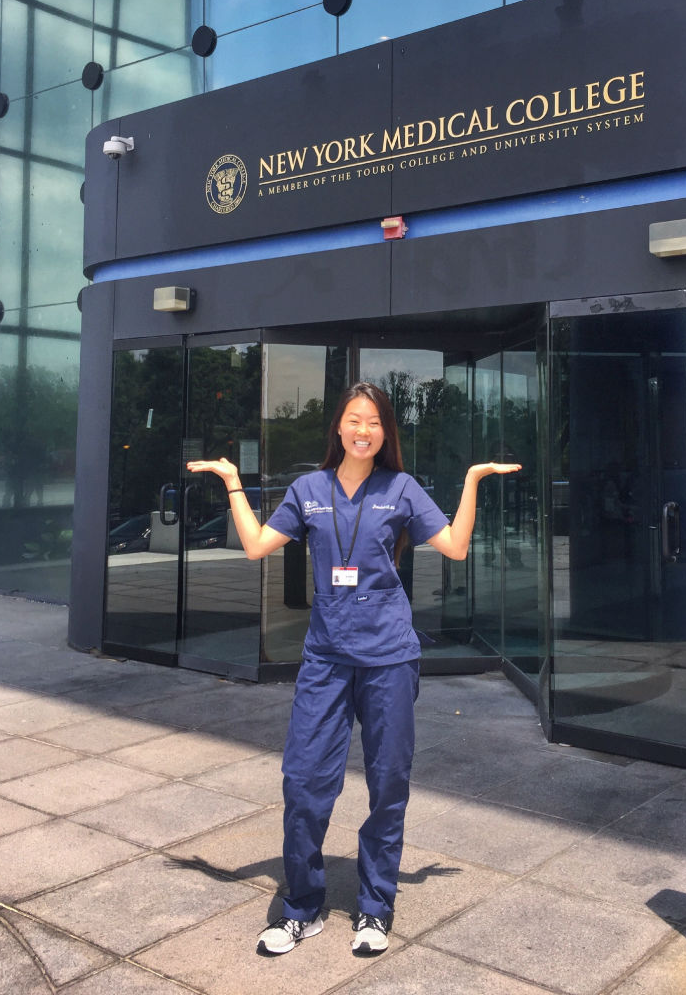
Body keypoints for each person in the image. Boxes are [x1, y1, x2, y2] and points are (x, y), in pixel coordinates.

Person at [186, 381, 521, 957]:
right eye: (353, 420)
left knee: (388, 784)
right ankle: (302, 908)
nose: (363, 431)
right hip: (326, 659)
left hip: (390, 657)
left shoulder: (402, 488)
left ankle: (374, 906)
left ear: (385, 433)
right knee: (304, 783)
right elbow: (256, 546)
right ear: (338, 428)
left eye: (374, 423)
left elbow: (457, 547)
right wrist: (232, 484)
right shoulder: (308, 490)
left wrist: (471, 482)